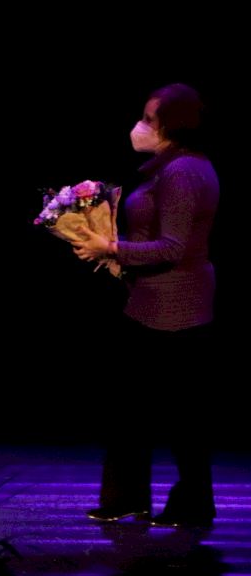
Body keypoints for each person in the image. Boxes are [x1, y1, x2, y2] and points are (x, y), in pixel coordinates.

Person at [73, 83, 219, 529]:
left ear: (172, 126)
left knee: (181, 415)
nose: (140, 126)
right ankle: (126, 498)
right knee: (130, 410)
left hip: (176, 310)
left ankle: (193, 503)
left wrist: (112, 249)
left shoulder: (183, 172)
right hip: (148, 304)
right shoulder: (168, 168)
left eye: (149, 119)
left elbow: (174, 247)